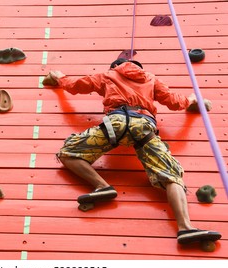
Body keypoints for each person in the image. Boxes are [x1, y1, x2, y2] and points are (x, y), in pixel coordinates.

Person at [46, 58, 221, 244]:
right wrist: (191, 100)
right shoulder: (151, 79)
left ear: (115, 66)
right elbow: (173, 101)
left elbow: (76, 86)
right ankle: (186, 228)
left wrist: (59, 78)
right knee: (172, 176)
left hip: (116, 123)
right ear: (140, 68)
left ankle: (102, 186)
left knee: (68, 153)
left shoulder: (108, 75)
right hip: (144, 127)